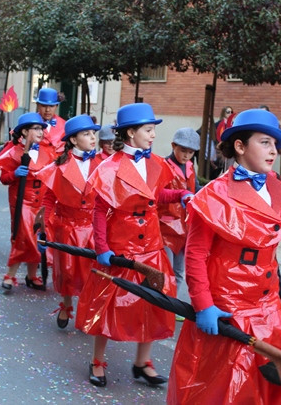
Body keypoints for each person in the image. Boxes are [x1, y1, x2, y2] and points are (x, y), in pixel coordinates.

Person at [167, 109, 281, 404]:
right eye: (265, 142)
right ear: (240, 146)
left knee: (280, 376)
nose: (273, 151)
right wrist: (203, 305)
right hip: (228, 305)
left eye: (275, 145)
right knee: (223, 385)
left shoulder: (278, 190)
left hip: (268, 303)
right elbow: (196, 254)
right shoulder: (213, 195)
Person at [75, 102, 193, 388]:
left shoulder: (156, 163)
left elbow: (156, 194)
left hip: (152, 244)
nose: (153, 135)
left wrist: (180, 194)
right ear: (130, 133)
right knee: (108, 303)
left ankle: (143, 362)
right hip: (121, 246)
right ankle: (98, 360)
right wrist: (102, 247)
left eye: (153, 130)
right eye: (148, 130)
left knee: (155, 303)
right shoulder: (109, 167)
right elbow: (100, 210)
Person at [37, 114, 100, 328]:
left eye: (93, 133)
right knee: (67, 270)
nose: (92, 137)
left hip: (91, 227)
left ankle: (86, 308)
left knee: (90, 272)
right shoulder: (58, 166)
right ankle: (66, 304)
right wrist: (44, 227)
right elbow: (49, 197)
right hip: (67, 226)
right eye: (86, 134)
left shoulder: (101, 164)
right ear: (73, 140)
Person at [0, 112, 56, 291]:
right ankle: (10, 275)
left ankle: (32, 275)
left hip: (41, 203)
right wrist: (14, 174)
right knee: (22, 238)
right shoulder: (13, 153)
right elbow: (4, 178)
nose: (40, 132)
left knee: (39, 238)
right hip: (23, 202)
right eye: (36, 129)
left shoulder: (48, 153)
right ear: (25, 132)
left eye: (42, 129)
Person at [157, 127, 201, 314]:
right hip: (165, 226)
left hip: (185, 225)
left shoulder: (190, 167)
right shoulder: (162, 165)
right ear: (173, 146)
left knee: (179, 270)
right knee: (165, 269)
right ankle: (163, 305)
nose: (186, 155)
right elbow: (157, 193)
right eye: (183, 150)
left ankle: (172, 305)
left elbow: (196, 188)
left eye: (190, 152)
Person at [35, 87, 66, 156]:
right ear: (38, 105)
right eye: (44, 106)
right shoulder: (29, 123)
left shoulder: (64, 125)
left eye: (51, 106)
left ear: (56, 106)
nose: (48, 110)